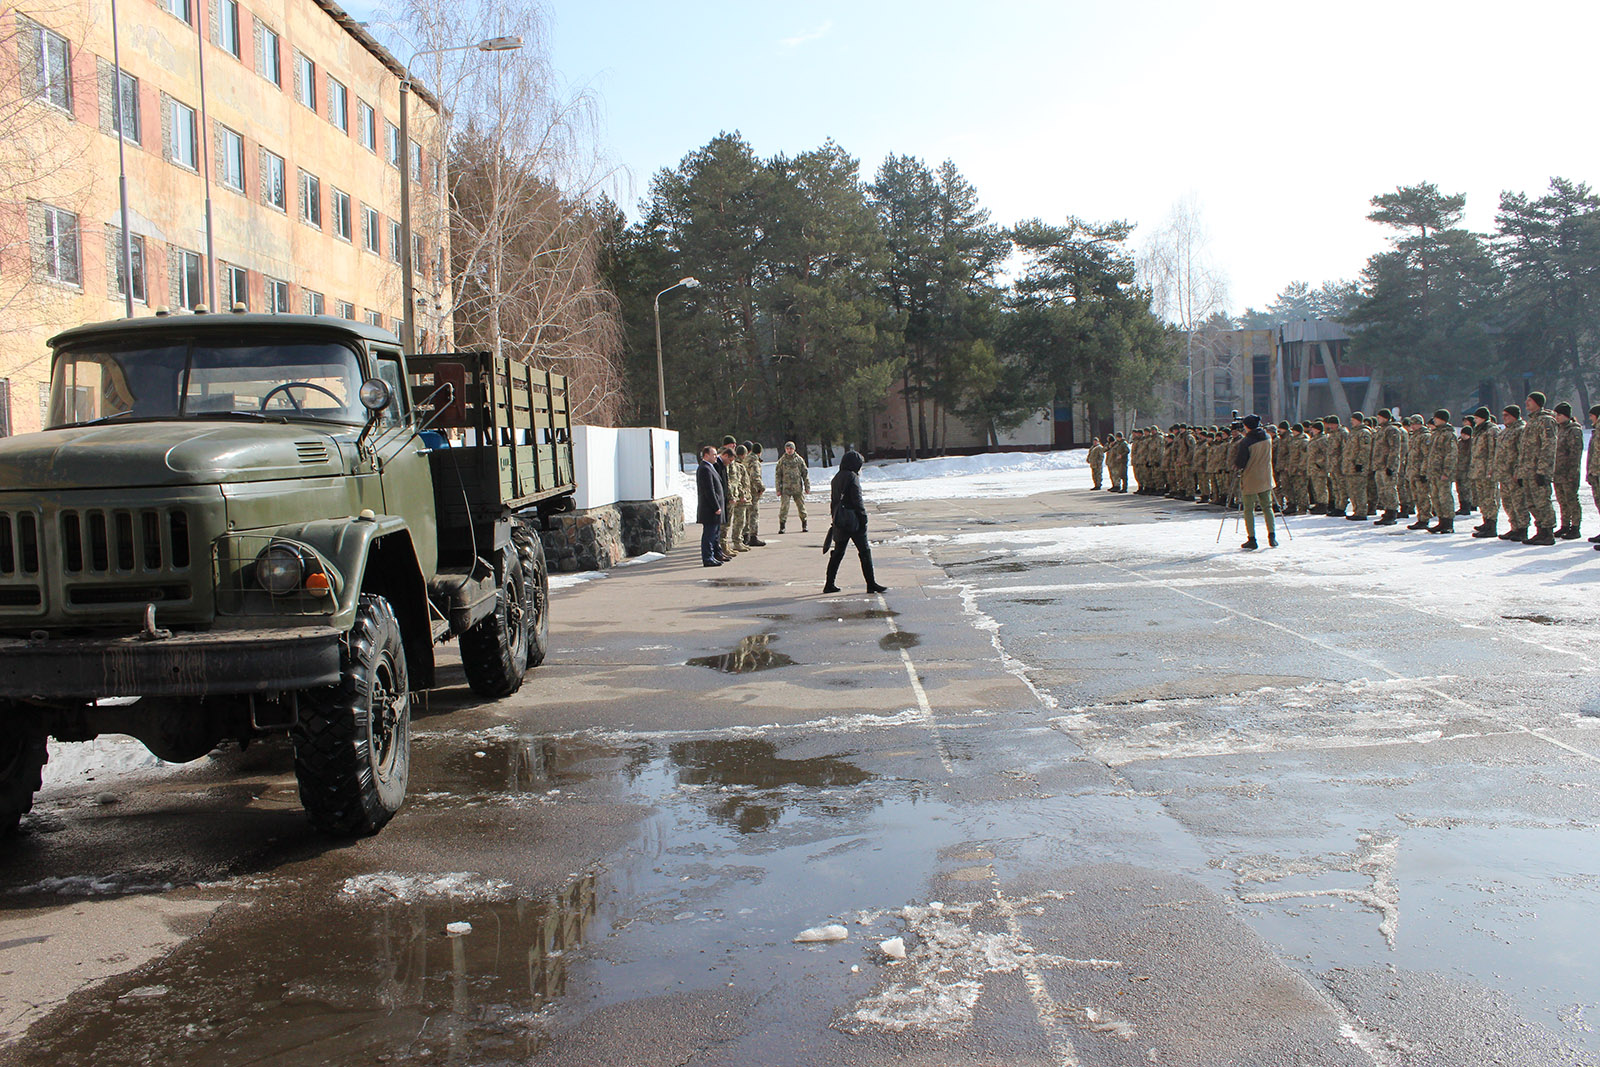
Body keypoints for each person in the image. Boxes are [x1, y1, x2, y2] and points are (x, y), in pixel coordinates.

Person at [823, 450, 888, 594]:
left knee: (838, 553)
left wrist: (834, 518)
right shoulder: (852, 477)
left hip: (840, 520)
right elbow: (857, 500)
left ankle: (829, 584)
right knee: (864, 552)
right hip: (854, 521)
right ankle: (871, 584)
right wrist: (863, 517)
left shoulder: (836, 478)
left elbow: (834, 501)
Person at [1519, 391, 1559, 545]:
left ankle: (1548, 532)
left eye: (1530, 400)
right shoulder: (1531, 422)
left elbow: (1549, 446)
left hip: (1538, 470)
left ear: (1538, 402)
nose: (1526, 403)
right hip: (1527, 470)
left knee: (1542, 501)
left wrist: (1542, 470)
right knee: (1531, 502)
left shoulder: (1546, 421)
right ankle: (1540, 530)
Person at [1233, 414, 1276, 550]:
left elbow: (1240, 462)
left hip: (1251, 477)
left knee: (1249, 509)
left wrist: (1236, 466)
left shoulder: (1246, 442)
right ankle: (1272, 536)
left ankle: (1252, 539)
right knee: (1267, 507)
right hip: (1266, 476)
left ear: (1246, 426)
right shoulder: (1268, 438)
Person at [1468, 407, 1501, 538]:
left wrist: (1491, 469)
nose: (1475, 420)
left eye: (1477, 417)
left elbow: (1493, 451)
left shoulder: (1491, 430)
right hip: (1478, 470)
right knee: (1482, 497)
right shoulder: (1479, 431)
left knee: (1490, 497)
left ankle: (1492, 525)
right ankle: (1486, 521)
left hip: (1487, 470)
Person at [1495, 406, 1526, 542]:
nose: (1504, 417)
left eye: (1507, 415)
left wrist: (1519, 471)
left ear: (1514, 416)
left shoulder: (1520, 430)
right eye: (1503, 415)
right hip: (1503, 472)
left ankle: (1522, 528)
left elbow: (1522, 453)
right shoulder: (1505, 431)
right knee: (1508, 502)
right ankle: (1514, 527)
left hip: (1513, 472)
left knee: (1518, 501)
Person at [1553, 402, 1583, 539]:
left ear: (1566, 415)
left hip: (1569, 472)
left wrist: (1572, 472)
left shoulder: (1573, 430)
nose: (1556, 417)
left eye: (1559, 415)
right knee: (1562, 500)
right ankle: (1565, 525)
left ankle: (1575, 527)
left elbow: (1575, 453)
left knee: (1571, 500)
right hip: (1558, 471)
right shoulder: (1559, 429)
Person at [1371, 409, 1403, 525]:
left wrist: (1391, 465)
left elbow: (1394, 449)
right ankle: (1387, 511)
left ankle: (1392, 512)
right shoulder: (1380, 430)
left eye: (1379, 417)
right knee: (1382, 490)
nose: (1378, 419)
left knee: (1389, 489)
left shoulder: (1392, 430)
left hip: (1387, 465)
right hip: (1379, 465)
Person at [695, 445, 725, 567]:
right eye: (713, 454)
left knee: (714, 534)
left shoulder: (710, 467)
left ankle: (712, 555)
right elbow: (709, 490)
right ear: (706, 455)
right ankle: (707, 558)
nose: (716, 456)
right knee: (709, 534)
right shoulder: (704, 469)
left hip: (713, 509)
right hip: (709, 509)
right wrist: (716, 506)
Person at [775, 441, 810, 533]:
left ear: (794, 449)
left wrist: (807, 486)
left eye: (791, 449)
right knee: (784, 508)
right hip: (786, 489)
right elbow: (778, 475)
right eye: (787, 449)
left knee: (801, 507)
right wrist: (778, 489)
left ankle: (804, 524)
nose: (789, 450)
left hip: (797, 488)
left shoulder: (799, 460)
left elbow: (805, 474)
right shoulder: (782, 461)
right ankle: (782, 526)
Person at [742, 442, 767, 547]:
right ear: (760, 452)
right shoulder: (755, 462)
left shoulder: (745, 459)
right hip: (753, 491)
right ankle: (753, 537)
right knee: (753, 514)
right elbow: (755, 477)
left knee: (746, 514)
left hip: (745, 490)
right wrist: (761, 487)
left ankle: (745, 535)